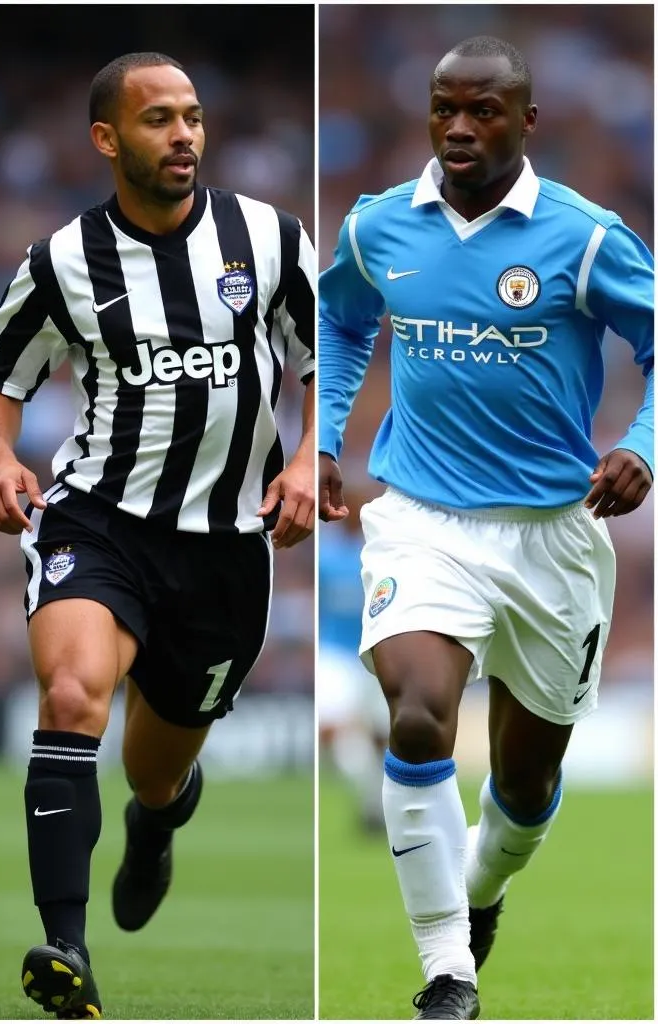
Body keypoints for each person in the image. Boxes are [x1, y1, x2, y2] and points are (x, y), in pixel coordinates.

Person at [318, 35, 652, 1021]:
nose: (460, 127)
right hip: (421, 518)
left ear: (525, 121)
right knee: (418, 710)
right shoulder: (381, 226)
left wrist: (641, 442)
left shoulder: (583, 237)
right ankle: (445, 971)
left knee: (524, 776)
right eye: (444, 109)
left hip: (553, 535)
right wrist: (323, 441)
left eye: (484, 111)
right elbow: (340, 322)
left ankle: (480, 889)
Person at [0, 51, 314, 1019]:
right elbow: (2, 369)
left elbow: (326, 349)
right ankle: (65, 948)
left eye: (194, 117)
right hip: (101, 518)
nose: (184, 136)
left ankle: (158, 822)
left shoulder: (265, 238)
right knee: (73, 694)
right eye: (160, 119)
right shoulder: (62, 262)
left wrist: (305, 461)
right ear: (105, 139)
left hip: (224, 548)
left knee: (154, 770)